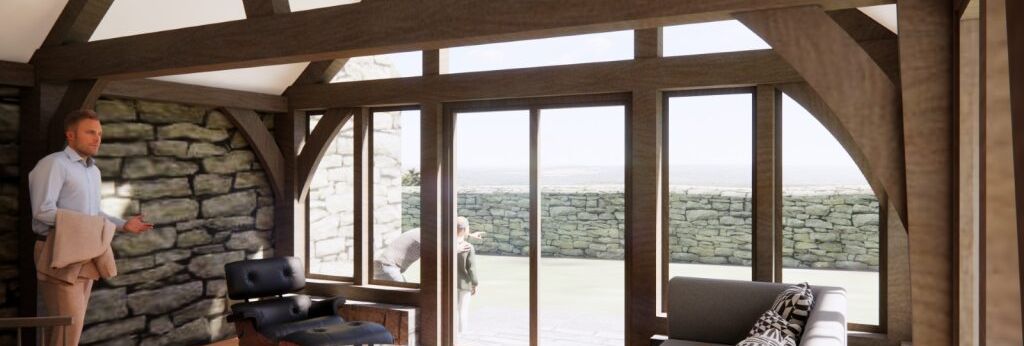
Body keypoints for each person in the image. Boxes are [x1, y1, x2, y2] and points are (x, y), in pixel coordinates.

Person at [29, 109, 154, 346]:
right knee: (67, 328)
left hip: (85, 253)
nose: (97, 138)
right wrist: (90, 226)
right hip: (57, 250)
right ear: (70, 135)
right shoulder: (53, 164)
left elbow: (94, 214)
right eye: (90, 132)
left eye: (99, 133)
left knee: (70, 330)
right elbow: (42, 211)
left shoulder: (93, 171)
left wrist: (123, 225)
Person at [373, 217, 484, 282]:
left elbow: (445, 240)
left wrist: (469, 235)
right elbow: (435, 254)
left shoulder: (423, 232)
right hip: (387, 267)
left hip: (385, 266)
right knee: (404, 299)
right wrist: (455, 250)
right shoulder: (425, 236)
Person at [455, 216, 479, 336]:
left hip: (449, 283)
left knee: (452, 309)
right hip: (464, 283)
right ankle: (462, 333)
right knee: (462, 310)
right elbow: (471, 268)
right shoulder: (468, 247)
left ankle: (452, 331)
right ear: (465, 229)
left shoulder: (447, 245)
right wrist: (475, 283)